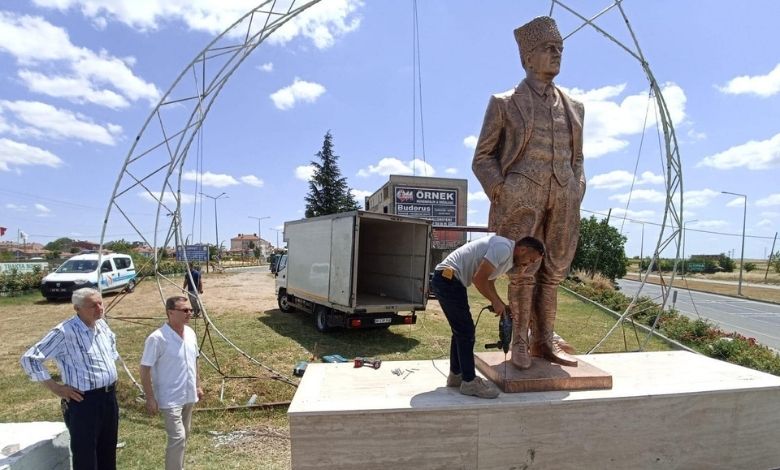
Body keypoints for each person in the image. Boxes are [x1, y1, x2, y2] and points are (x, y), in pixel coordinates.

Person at [472, 16, 585, 370]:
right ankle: (520, 338)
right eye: (548, 49)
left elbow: (578, 157)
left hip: (564, 196)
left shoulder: (575, 107)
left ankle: (545, 338)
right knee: (522, 271)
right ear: (527, 57)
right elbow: (482, 158)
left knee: (553, 271)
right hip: (520, 199)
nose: (556, 55)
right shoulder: (504, 102)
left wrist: (577, 187)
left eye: (560, 49)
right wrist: (502, 190)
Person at [431, 235, 545, 398]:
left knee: (461, 331)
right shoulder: (504, 248)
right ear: (522, 249)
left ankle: (456, 376)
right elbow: (479, 279)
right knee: (465, 332)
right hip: (447, 279)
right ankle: (469, 382)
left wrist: (500, 303)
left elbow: (489, 281)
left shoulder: (508, 258)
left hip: (451, 280)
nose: (530, 264)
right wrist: (495, 302)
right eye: (531, 259)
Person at [20, 287, 120, 470]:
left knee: (107, 450)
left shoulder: (102, 325)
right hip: (84, 401)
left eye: (101, 303)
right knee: (86, 455)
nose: (100, 308)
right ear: (77, 308)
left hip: (109, 398)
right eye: (93, 305)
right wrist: (56, 388)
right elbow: (30, 358)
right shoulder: (64, 332)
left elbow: (112, 349)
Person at [140, 296, 203, 470]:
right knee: (177, 437)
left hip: (188, 394)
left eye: (190, 310)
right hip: (170, 398)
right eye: (185, 310)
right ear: (170, 313)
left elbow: (195, 359)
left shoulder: (190, 333)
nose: (189, 313)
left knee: (185, 435)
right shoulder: (157, 338)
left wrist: (198, 384)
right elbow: (145, 369)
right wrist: (150, 398)